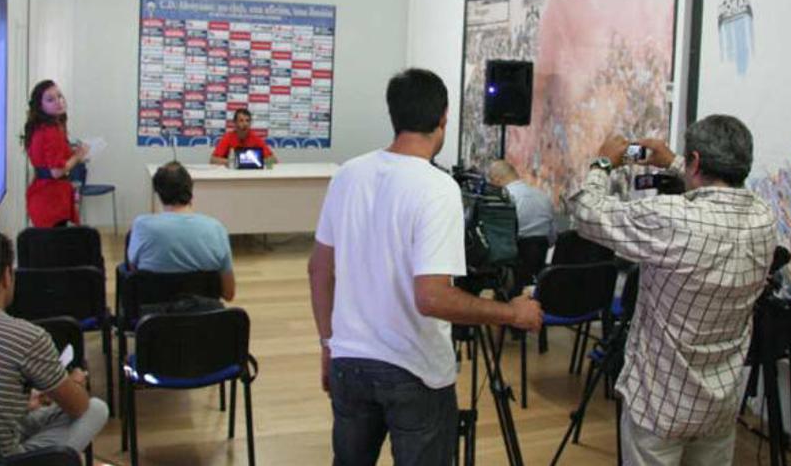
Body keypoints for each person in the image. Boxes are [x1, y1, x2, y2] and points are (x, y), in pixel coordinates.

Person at [308, 68, 544, 466]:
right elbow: (432, 296)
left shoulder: (348, 174)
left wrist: (328, 344)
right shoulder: (437, 188)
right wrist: (511, 313)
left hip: (350, 360)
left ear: (394, 115)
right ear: (443, 119)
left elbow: (318, 270)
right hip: (413, 370)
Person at [569, 115, 777, 466]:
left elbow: (586, 212)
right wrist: (674, 162)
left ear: (695, 161)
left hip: (661, 403)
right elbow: (715, 190)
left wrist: (602, 162)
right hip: (719, 402)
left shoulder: (672, 218)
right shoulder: (764, 217)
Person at [0, 230, 108, 457]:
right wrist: (73, 384)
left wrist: (27, 401)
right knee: (95, 409)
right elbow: (78, 407)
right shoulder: (28, 336)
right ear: (7, 276)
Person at [128, 161, 236, 302]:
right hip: (204, 320)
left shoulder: (141, 226)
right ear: (190, 189)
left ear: (158, 192)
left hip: (155, 320)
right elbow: (229, 293)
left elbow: (134, 272)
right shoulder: (216, 228)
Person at [23, 80, 89, 227]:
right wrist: (78, 156)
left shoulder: (39, 127)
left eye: (59, 96)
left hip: (42, 195)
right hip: (52, 199)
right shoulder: (50, 131)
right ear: (40, 105)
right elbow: (56, 172)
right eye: (50, 99)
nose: (58, 102)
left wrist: (73, 153)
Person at [487, 159, 557, 244]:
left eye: (490, 180)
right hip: (542, 255)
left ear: (496, 179)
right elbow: (553, 237)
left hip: (512, 254)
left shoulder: (503, 199)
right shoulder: (543, 196)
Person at [210, 108, 277, 167]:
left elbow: (273, 160)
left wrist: (253, 161)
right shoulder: (228, 137)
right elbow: (213, 160)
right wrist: (234, 162)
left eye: (247, 121)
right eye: (241, 121)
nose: (245, 124)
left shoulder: (255, 138)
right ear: (235, 123)